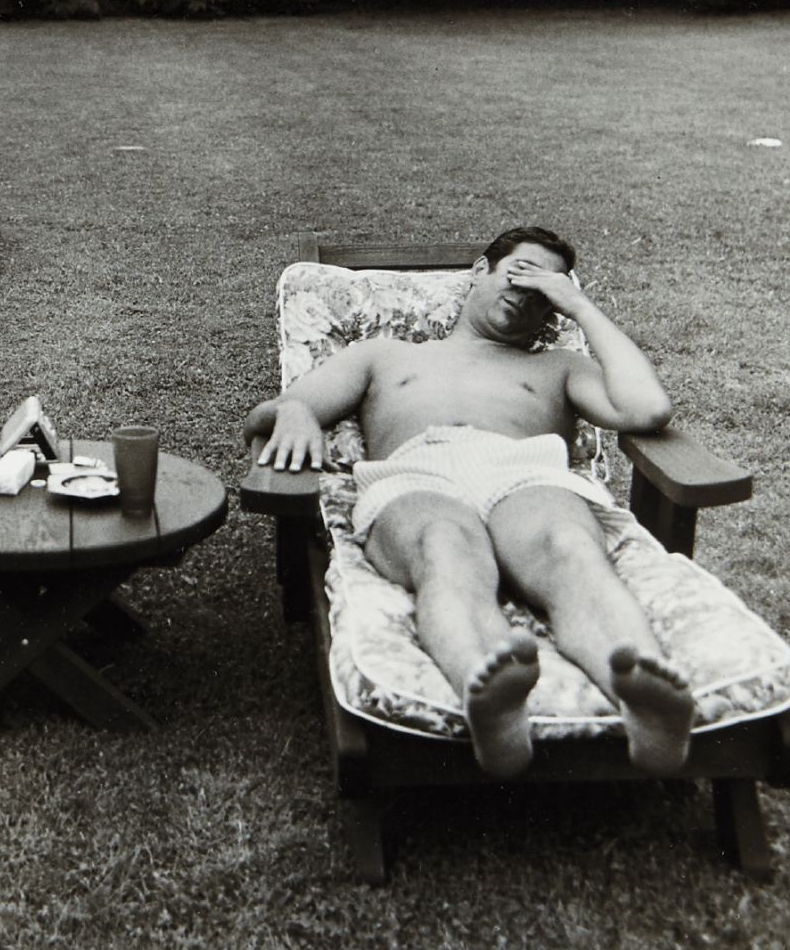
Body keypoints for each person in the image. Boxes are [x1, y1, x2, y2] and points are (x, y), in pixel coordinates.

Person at [245, 225, 694, 779]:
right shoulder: (384, 355)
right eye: (520, 272)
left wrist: (579, 305)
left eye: (545, 287)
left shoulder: (557, 367)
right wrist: (293, 413)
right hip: (416, 471)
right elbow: (278, 410)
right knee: (443, 547)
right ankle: (488, 693)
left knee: (570, 547)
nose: (527, 292)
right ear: (480, 271)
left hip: (525, 471)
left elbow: (647, 409)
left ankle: (645, 705)